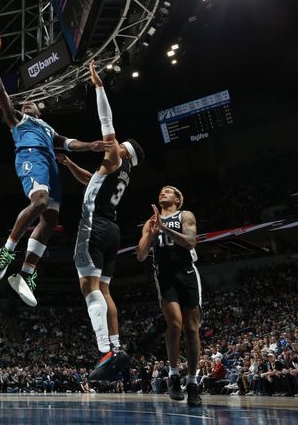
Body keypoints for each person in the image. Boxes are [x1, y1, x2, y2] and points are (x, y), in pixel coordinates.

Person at [0, 36, 104, 307]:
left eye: (31, 103)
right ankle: (7, 251)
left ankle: (25, 274)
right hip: (30, 158)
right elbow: (0, 92)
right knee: (41, 202)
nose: (27, 104)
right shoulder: (19, 121)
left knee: (49, 221)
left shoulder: (48, 129)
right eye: (24, 104)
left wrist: (90, 145)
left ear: (40, 110)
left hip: (51, 167)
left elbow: (70, 143)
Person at [63, 61, 143, 382]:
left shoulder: (114, 158)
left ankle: (104, 350)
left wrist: (98, 86)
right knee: (105, 291)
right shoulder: (121, 172)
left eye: (119, 143)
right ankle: (117, 345)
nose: (115, 142)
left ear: (124, 151)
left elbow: (105, 121)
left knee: (88, 287)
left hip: (94, 226)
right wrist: (68, 162)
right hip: (112, 229)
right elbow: (90, 182)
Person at [136, 185, 202, 406]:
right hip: (164, 275)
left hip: (187, 271)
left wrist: (166, 228)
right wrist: (154, 233)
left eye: (168, 190)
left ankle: (192, 382)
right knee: (174, 324)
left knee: (192, 328)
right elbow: (141, 255)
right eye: (160, 191)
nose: (162, 193)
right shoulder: (150, 222)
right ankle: (174, 375)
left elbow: (190, 242)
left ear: (177, 198)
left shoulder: (185, 215)